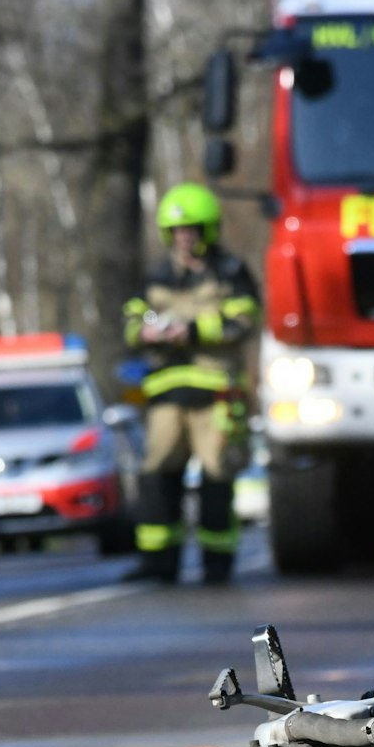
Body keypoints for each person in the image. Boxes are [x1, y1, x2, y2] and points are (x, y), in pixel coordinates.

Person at [123, 183, 259, 584]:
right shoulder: (156, 277)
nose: (185, 238)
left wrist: (194, 329)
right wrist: (144, 333)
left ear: (208, 231)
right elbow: (131, 320)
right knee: (157, 473)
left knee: (217, 476)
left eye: (193, 230)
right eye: (178, 231)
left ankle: (217, 564)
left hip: (217, 393)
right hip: (166, 393)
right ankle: (158, 562)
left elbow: (244, 319)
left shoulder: (231, 274)